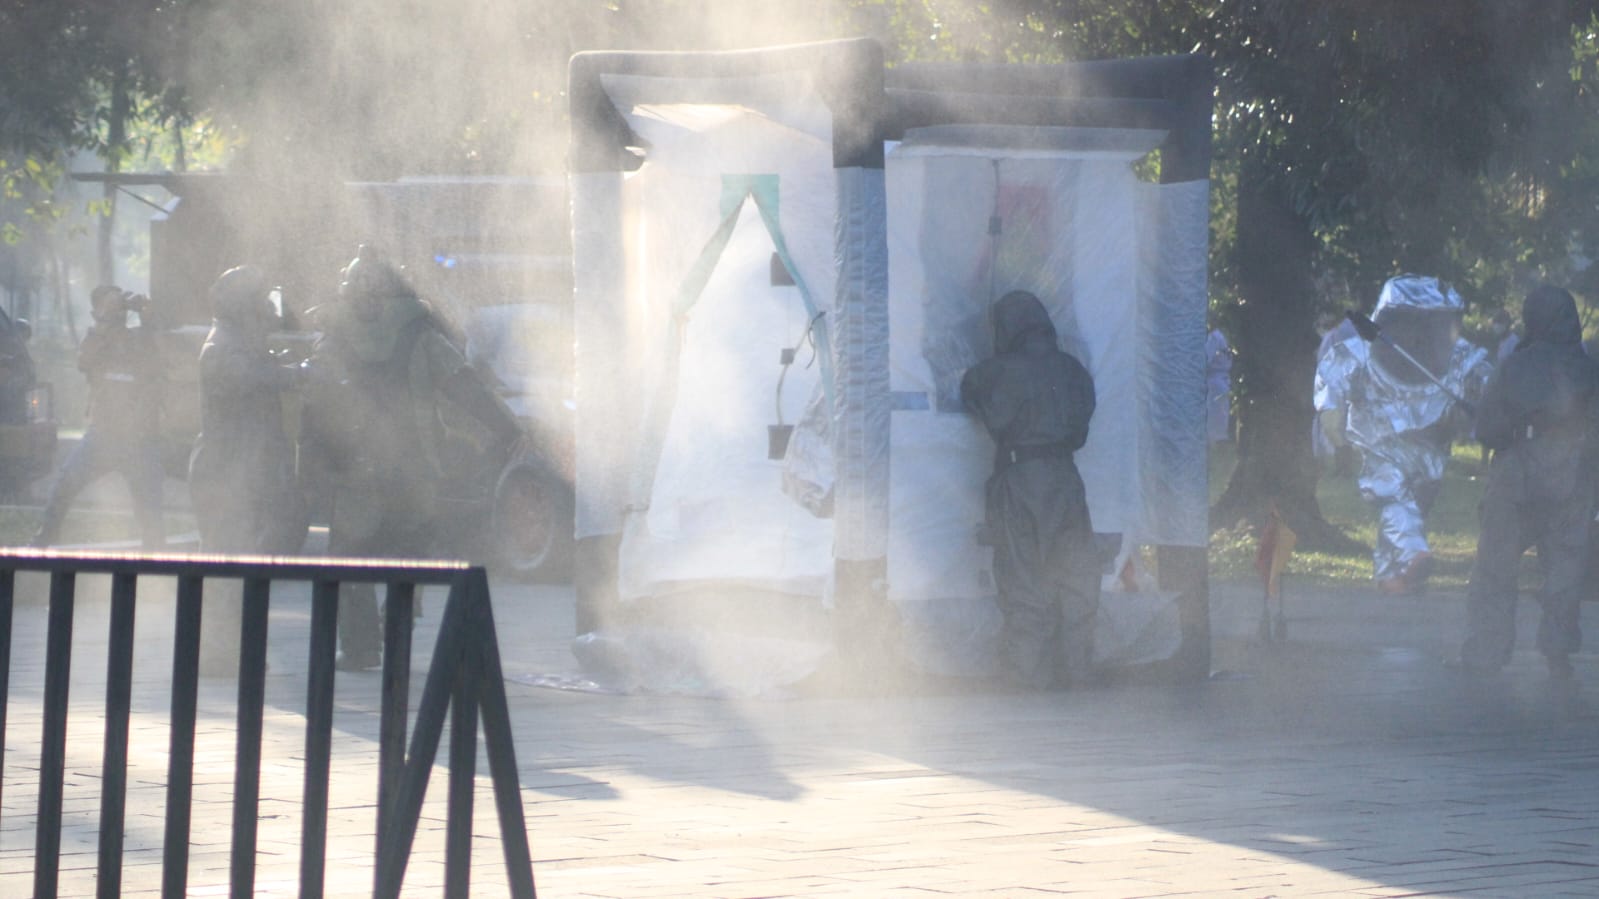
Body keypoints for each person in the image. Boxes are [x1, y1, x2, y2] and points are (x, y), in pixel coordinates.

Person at [302, 245, 523, 671]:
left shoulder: (331, 338)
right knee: (409, 557)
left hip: (355, 470)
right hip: (415, 469)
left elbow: (314, 404)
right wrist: (509, 429)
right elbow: (465, 387)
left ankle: (361, 646)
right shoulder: (422, 336)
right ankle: (396, 635)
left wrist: (311, 464)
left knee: (349, 558)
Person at [1314, 275, 1492, 594]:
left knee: (1409, 504)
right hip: (1376, 443)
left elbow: (1490, 391)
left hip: (1430, 449)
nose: (1418, 335)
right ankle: (1414, 554)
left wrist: (1473, 412)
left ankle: (1391, 577)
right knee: (1392, 493)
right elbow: (1330, 398)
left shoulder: (1464, 359)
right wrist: (1339, 441)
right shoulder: (1353, 355)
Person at [1457, 286, 1599, 682]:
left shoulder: (1513, 366)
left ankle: (1486, 651)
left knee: (1496, 567)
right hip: (1571, 478)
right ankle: (1557, 652)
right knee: (1565, 569)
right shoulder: (1591, 370)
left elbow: (1487, 428)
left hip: (1515, 476)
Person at [960, 290, 1098, 690]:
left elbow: (970, 392)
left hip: (1019, 480)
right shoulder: (1072, 370)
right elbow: (1082, 429)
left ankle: (1026, 679)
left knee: (1023, 580)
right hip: (1067, 481)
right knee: (1075, 581)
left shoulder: (996, 372)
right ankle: (1077, 675)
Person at [188, 266, 306, 674]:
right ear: (242, 306)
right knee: (226, 565)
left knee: (245, 560)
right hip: (224, 472)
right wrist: (298, 374)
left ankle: (231, 651)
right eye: (260, 302)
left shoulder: (241, 341)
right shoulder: (223, 346)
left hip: (242, 470)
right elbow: (251, 378)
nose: (268, 311)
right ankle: (218, 655)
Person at [31, 284, 166, 549]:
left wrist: (145, 312)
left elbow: (157, 348)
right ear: (96, 312)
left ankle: (155, 554)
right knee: (65, 484)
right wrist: (105, 320)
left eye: (119, 308)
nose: (118, 314)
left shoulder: (139, 338)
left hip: (139, 438)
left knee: (149, 504)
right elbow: (85, 362)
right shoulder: (94, 339)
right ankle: (44, 539)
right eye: (109, 307)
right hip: (103, 435)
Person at [1206, 327, 1233, 443]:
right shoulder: (1222, 337)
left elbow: (1205, 357)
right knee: (1220, 420)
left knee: (1213, 422)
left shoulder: (1215, 337)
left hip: (1214, 385)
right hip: (1222, 383)